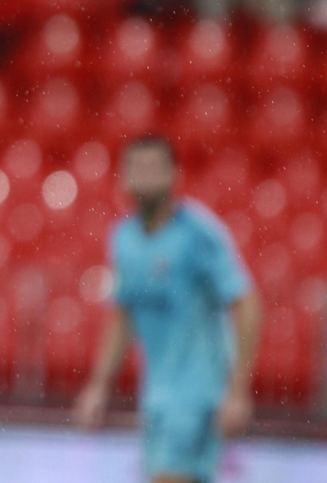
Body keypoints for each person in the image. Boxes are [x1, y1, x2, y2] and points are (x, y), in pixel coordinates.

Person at [74, 136, 263, 483]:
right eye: (136, 169)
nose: (144, 177)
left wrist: (238, 391)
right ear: (122, 177)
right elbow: (123, 314)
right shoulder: (123, 238)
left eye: (154, 169)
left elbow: (246, 302)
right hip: (155, 394)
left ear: (175, 175)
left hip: (199, 390)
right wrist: (98, 386)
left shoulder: (198, 234)